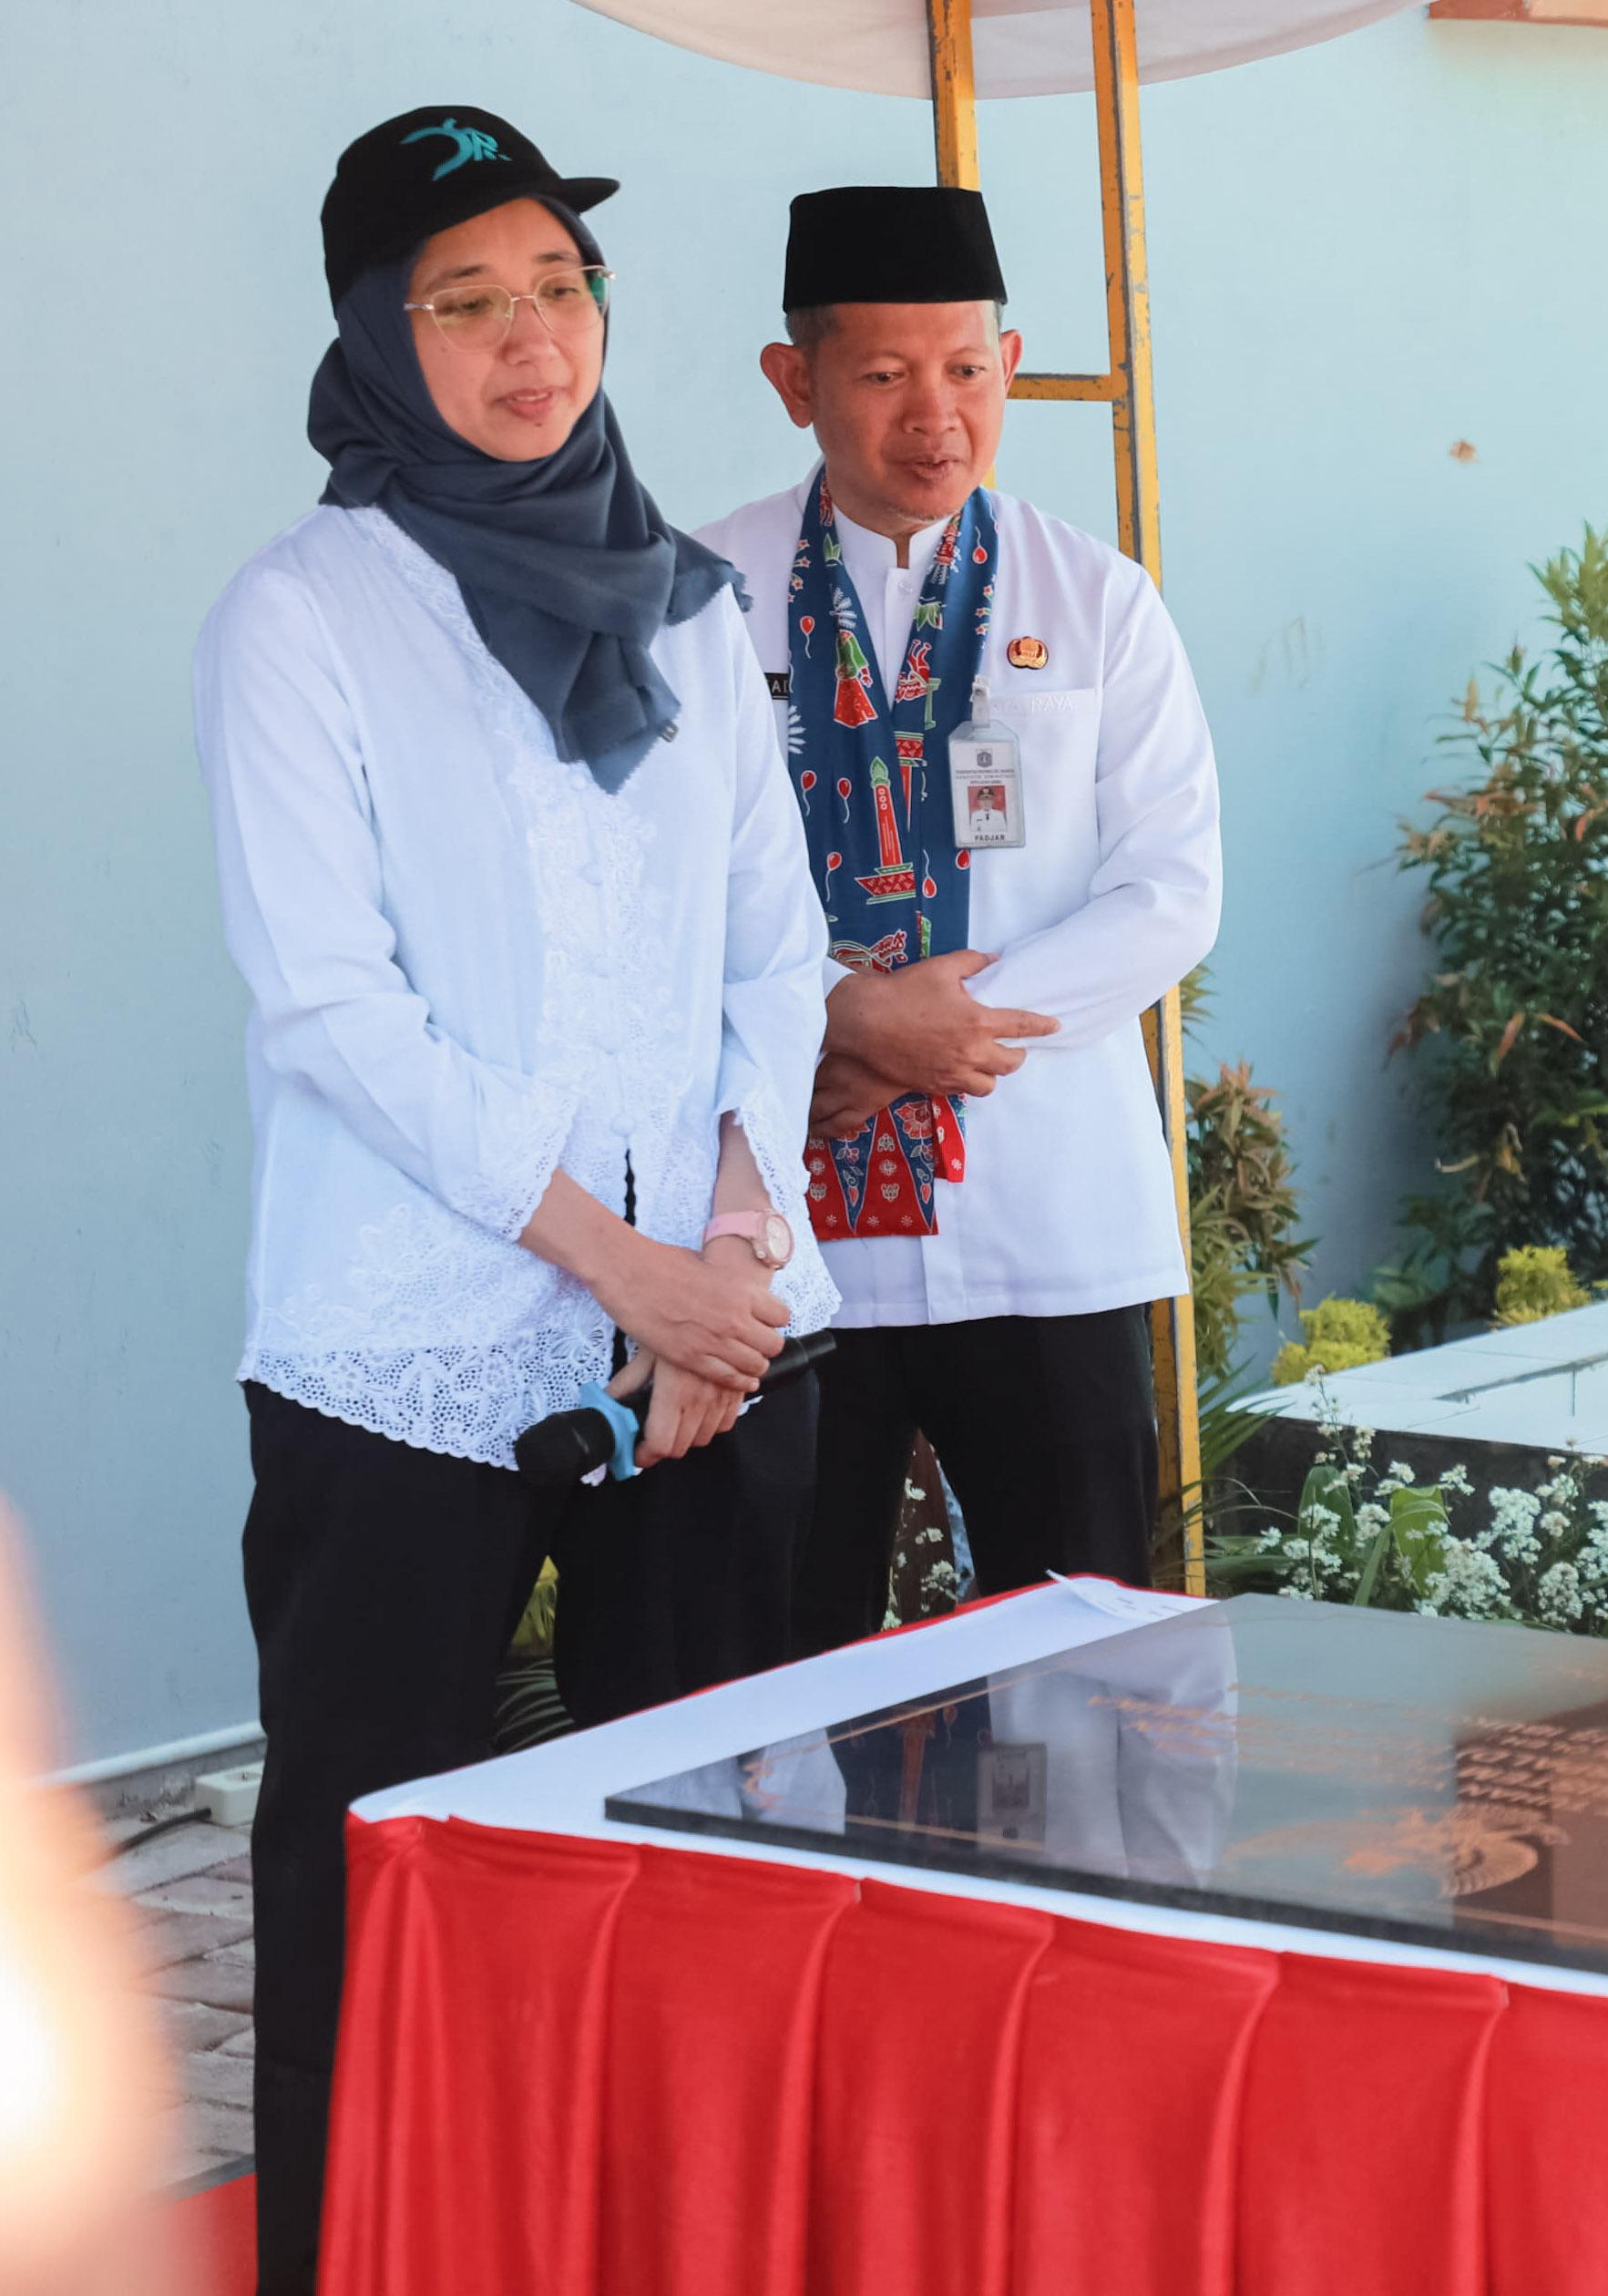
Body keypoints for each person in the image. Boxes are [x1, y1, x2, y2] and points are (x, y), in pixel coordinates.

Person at [194, 107, 836, 2290]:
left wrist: (725, 1257)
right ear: (379, 336)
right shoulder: (301, 618)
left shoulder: (691, 603)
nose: (528, 339)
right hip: (408, 1354)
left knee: (709, 1873)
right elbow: (333, 1010)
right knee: (367, 1888)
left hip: (708, 1351)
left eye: (558, 286)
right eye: (463, 303)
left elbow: (775, 954)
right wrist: (626, 1267)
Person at [695, 187, 1223, 1655]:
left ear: (1012, 366)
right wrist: (838, 1019)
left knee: (1087, 1651)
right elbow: (653, 885)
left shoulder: (1097, 600)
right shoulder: (701, 601)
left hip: (1040, 1213)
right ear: (794, 381)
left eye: (968, 370)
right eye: (882, 374)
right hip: (780, 1231)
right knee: (771, 1657)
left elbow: (1170, 889)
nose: (936, 416)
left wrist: (935, 1032)